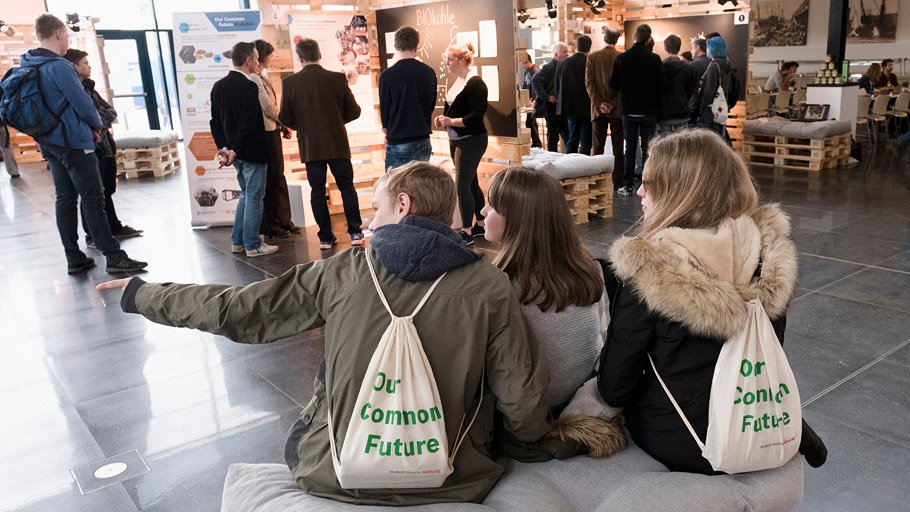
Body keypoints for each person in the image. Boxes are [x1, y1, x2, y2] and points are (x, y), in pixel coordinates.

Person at [95, 161, 595, 505]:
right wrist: (540, 442)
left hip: (334, 470)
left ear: (402, 206)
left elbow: (239, 311)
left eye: (377, 208)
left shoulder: (341, 270)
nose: (370, 221)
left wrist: (143, 295)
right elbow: (520, 395)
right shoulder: (489, 285)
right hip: (454, 475)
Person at [597, 129, 827, 474]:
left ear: (682, 195)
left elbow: (615, 388)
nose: (641, 192)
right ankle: (795, 425)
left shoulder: (650, 270)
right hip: (754, 419)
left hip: (687, 442)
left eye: (651, 184)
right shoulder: (768, 256)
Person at [20, 14, 146, 275]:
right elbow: (84, 104)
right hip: (75, 142)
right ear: (57, 34)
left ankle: (73, 256)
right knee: (93, 197)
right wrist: (96, 127)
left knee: (64, 198)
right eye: (66, 34)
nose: (67, 39)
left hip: (50, 142)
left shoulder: (30, 64)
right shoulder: (60, 66)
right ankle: (113, 256)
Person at [483, 166, 605, 409]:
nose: (483, 211)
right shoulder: (584, 265)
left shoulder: (505, 283)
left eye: (493, 206)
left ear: (517, 219)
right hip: (583, 390)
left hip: (538, 406)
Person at [279, 38, 365, 250]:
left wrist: (306, 126)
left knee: (317, 191)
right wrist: (335, 119)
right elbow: (355, 111)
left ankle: (325, 237)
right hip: (337, 143)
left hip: (311, 146)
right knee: (347, 188)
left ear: (300, 58)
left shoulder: (290, 83)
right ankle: (355, 232)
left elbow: (285, 117)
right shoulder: (337, 79)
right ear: (319, 54)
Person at [63, 49, 143, 244]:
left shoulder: (90, 88)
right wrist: (96, 123)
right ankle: (93, 234)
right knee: (92, 193)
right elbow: (86, 117)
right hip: (89, 148)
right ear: (74, 66)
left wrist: (97, 124)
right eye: (84, 63)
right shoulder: (73, 91)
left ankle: (113, 226)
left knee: (107, 189)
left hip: (105, 146)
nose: (89, 66)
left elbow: (110, 111)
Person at [211, 41, 277, 258]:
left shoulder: (218, 86)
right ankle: (253, 244)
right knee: (254, 197)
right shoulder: (248, 86)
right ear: (249, 60)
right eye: (257, 59)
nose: (258, 63)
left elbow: (215, 122)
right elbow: (249, 123)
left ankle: (238, 241)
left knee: (246, 196)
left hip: (234, 153)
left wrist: (225, 148)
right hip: (250, 152)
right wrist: (235, 150)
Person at [434, 42, 488, 246]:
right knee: (471, 181)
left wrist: (450, 121)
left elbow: (476, 116)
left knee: (462, 185)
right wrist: (445, 119)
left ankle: (466, 232)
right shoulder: (458, 81)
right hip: (457, 140)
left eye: (450, 59)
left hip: (471, 140)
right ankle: (480, 224)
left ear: (461, 60)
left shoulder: (476, 84)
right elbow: (457, 109)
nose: (447, 63)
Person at [250, 39, 300, 240]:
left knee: (279, 177)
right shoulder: (254, 79)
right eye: (270, 54)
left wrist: (281, 126)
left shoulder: (262, 77)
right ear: (261, 56)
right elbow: (268, 108)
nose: (273, 57)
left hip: (273, 131)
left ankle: (284, 221)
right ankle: (273, 225)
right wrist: (285, 122)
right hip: (266, 134)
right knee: (272, 179)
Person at [608, 24, 665, 197]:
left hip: (628, 110)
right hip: (649, 111)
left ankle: (627, 185)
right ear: (649, 38)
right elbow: (662, 85)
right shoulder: (654, 59)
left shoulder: (622, 58)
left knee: (630, 148)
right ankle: (647, 186)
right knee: (648, 149)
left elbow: (613, 84)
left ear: (634, 37)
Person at [378, 26, 437, 169]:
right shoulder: (428, 73)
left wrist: (387, 129)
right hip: (422, 139)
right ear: (416, 46)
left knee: (395, 188)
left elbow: (385, 110)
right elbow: (431, 104)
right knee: (421, 189)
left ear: (396, 45)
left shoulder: (387, 75)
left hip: (399, 140)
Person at [585, 27, 624, 191]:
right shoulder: (621, 57)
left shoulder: (593, 57)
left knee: (598, 146)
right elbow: (623, 86)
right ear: (617, 40)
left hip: (597, 109)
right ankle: (618, 181)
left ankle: (597, 181)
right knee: (617, 146)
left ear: (604, 38)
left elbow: (589, 83)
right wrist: (612, 104)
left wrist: (600, 103)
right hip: (617, 109)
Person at [556, 35, 593, 155]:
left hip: (569, 106)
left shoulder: (563, 64)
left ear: (575, 46)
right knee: (586, 140)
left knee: (572, 138)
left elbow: (557, 86)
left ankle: (571, 166)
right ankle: (584, 166)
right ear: (589, 48)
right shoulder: (589, 63)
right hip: (587, 106)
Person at [531, 42, 569, 152]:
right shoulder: (550, 67)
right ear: (557, 54)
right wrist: (546, 97)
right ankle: (552, 160)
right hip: (552, 107)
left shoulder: (562, 65)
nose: (567, 54)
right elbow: (535, 79)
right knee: (553, 136)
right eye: (564, 52)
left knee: (566, 134)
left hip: (561, 106)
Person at [697, 36, 735, 140]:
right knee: (719, 138)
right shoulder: (726, 65)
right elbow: (730, 88)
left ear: (713, 49)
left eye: (708, 47)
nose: (707, 50)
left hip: (711, 109)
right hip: (721, 107)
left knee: (708, 140)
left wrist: (702, 107)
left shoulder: (714, 65)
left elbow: (709, 90)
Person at [659, 34, 697, 133]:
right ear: (679, 47)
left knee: (665, 145)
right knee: (682, 145)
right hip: (682, 111)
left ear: (665, 48)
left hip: (664, 113)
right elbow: (691, 89)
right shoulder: (688, 68)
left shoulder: (660, 67)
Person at [520, 53, 542, 148]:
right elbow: (525, 85)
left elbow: (536, 87)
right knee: (531, 122)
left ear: (528, 61)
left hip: (534, 102)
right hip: (529, 102)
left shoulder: (535, 71)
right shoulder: (527, 71)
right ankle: (536, 143)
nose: (522, 66)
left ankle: (537, 143)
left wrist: (534, 100)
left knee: (530, 122)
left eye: (523, 63)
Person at [687, 38, 709, 126]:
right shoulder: (712, 63)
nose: (691, 51)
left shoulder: (693, 65)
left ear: (698, 48)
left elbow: (689, 87)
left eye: (692, 48)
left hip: (694, 107)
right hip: (709, 108)